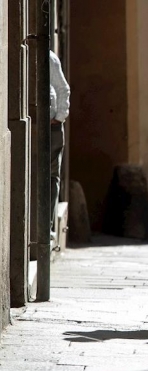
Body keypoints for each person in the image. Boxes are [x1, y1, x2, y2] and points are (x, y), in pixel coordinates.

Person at [50, 50, 70, 237]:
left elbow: (62, 88)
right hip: (38, 124)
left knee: (51, 176)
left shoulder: (49, 57)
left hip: (52, 127)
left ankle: (46, 226)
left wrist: (59, 117)